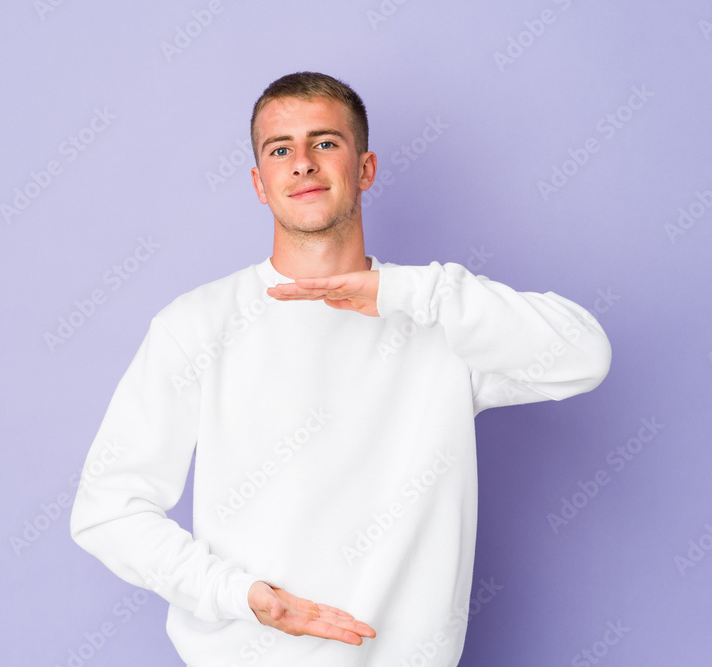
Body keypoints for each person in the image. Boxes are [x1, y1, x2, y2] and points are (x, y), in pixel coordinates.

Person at [69, 71, 612, 667]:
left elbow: (584, 356)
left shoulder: (435, 317)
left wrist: (412, 294)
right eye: (280, 150)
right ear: (259, 183)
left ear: (365, 168)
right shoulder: (197, 324)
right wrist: (237, 595)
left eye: (325, 142)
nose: (302, 162)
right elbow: (107, 510)